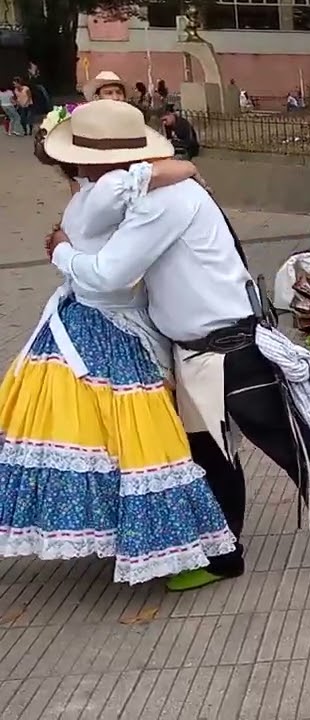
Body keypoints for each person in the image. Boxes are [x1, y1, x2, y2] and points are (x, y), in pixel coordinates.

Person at [44, 100, 310, 600]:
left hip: (234, 352)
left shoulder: (164, 200)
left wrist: (60, 249)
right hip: (189, 354)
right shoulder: (142, 194)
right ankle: (223, 557)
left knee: (301, 456)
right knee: (210, 464)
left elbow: (108, 273)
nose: (80, 172)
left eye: (85, 163)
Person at [1, 109, 235, 584]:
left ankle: (103, 525)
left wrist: (63, 247)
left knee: (92, 437)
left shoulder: (85, 196)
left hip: (81, 319)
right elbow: (168, 172)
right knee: (137, 437)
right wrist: (186, 166)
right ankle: (155, 536)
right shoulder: (109, 188)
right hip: (112, 325)